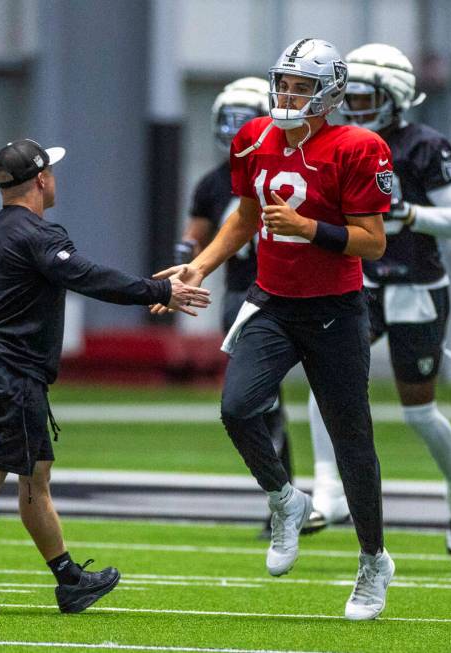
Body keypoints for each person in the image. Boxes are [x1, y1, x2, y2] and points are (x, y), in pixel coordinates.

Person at [153, 38, 395, 620]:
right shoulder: (254, 138)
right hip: (273, 302)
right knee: (238, 408)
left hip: (336, 308)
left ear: (328, 93)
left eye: (301, 86)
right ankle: (285, 501)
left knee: (351, 438)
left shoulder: (359, 147)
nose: (287, 95)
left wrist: (311, 229)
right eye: (283, 83)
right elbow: (243, 218)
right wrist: (201, 265)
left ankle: (372, 561)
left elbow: (373, 240)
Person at [0, 139, 210, 614]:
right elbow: (87, 275)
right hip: (9, 369)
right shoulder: (39, 236)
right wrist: (159, 290)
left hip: (1, 365)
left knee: (35, 473)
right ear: (41, 180)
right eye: (51, 172)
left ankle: (69, 579)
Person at [307, 43, 451, 556]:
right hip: (362, 283)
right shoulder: (338, 143)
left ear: (396, 97)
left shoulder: (425, 145)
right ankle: (328, 489)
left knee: (418, 414)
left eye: (366, 98)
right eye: (350, 98)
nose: (356, 108)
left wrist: (411, 215)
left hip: (416, 287)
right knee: (327, 382)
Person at [174, 77, 295, 539]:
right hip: (239, 294)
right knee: (257, 403)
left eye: (243, 121)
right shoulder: (213, 181)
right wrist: (185, 255)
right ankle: (283, 495)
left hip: (285, 292)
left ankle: (312, 494)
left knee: (272, 403)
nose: (233, 131)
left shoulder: (283, 166)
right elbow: (197, 234)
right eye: (227, 120)